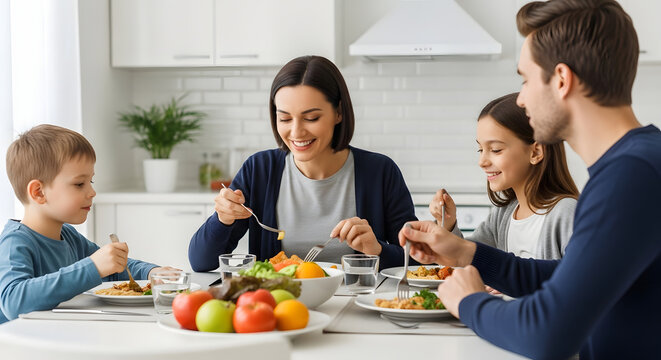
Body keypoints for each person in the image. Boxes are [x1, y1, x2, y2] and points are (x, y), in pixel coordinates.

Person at [399, 0, 661, 359]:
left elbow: (545, 334)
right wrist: (467, 252)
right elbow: (568, 277)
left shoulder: (630, 177)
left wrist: (469, 303)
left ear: (562, 80)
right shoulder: (639, 161)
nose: (521, 99)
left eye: (525, 79)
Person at [189, 55, 416, 272]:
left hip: (357, 307)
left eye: (311, 118)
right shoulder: (259, 170)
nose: (296, 132)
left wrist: (377, 250)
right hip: (280, 306)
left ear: (338, 112)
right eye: (285, 118)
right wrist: (223, 219)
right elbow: (201, 262)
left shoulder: (380, 171)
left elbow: (416, 261)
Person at [0, 124, 173, 323]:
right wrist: (92, 267)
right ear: (39, 192)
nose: (91, 192)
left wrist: (151, 273)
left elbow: (115, 267)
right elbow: (13, 302)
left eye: (91, 182)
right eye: (79, 184)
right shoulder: (15, 243)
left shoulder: (70, 237)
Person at [430, 93, 578, 262]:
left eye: (495, 150)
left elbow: (583, 282)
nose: (482, 162)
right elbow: (466, 259)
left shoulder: (566, 213)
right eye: (480, 150)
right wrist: (447, 223)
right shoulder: (503, 215)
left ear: (536, 152)